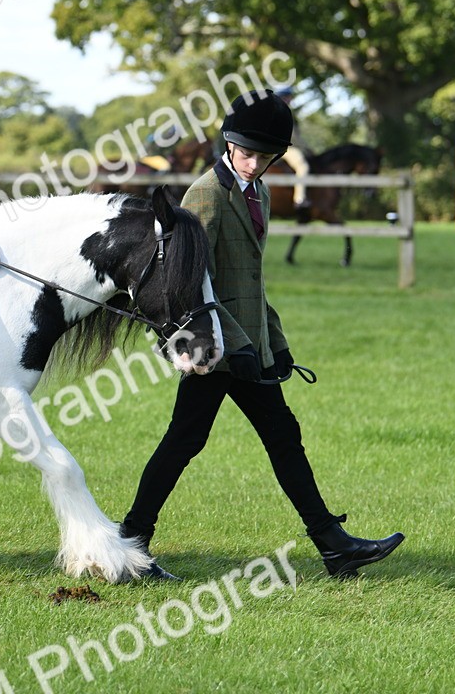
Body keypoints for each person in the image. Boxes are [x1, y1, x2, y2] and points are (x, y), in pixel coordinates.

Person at [120, 89, 404, 580]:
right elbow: (194, 285)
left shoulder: (261, 192)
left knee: (278, 437)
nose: (253, 164)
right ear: (229, 146)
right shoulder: (205, 195)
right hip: (216, 347)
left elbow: (251, 277)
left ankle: (333, 545)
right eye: (246, 153)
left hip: (250, 346)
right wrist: (242, 344)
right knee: (185, 442)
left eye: (263, 156)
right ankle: (130, 541)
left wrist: (276, 339)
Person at [276, 86, 311, 209]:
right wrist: (306, 148)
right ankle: (299, 198)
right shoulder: (284, 112)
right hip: (285, 148)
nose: (290, 100)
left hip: (273, 147)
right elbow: (294, 138)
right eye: (288, 97)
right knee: (303, 166)